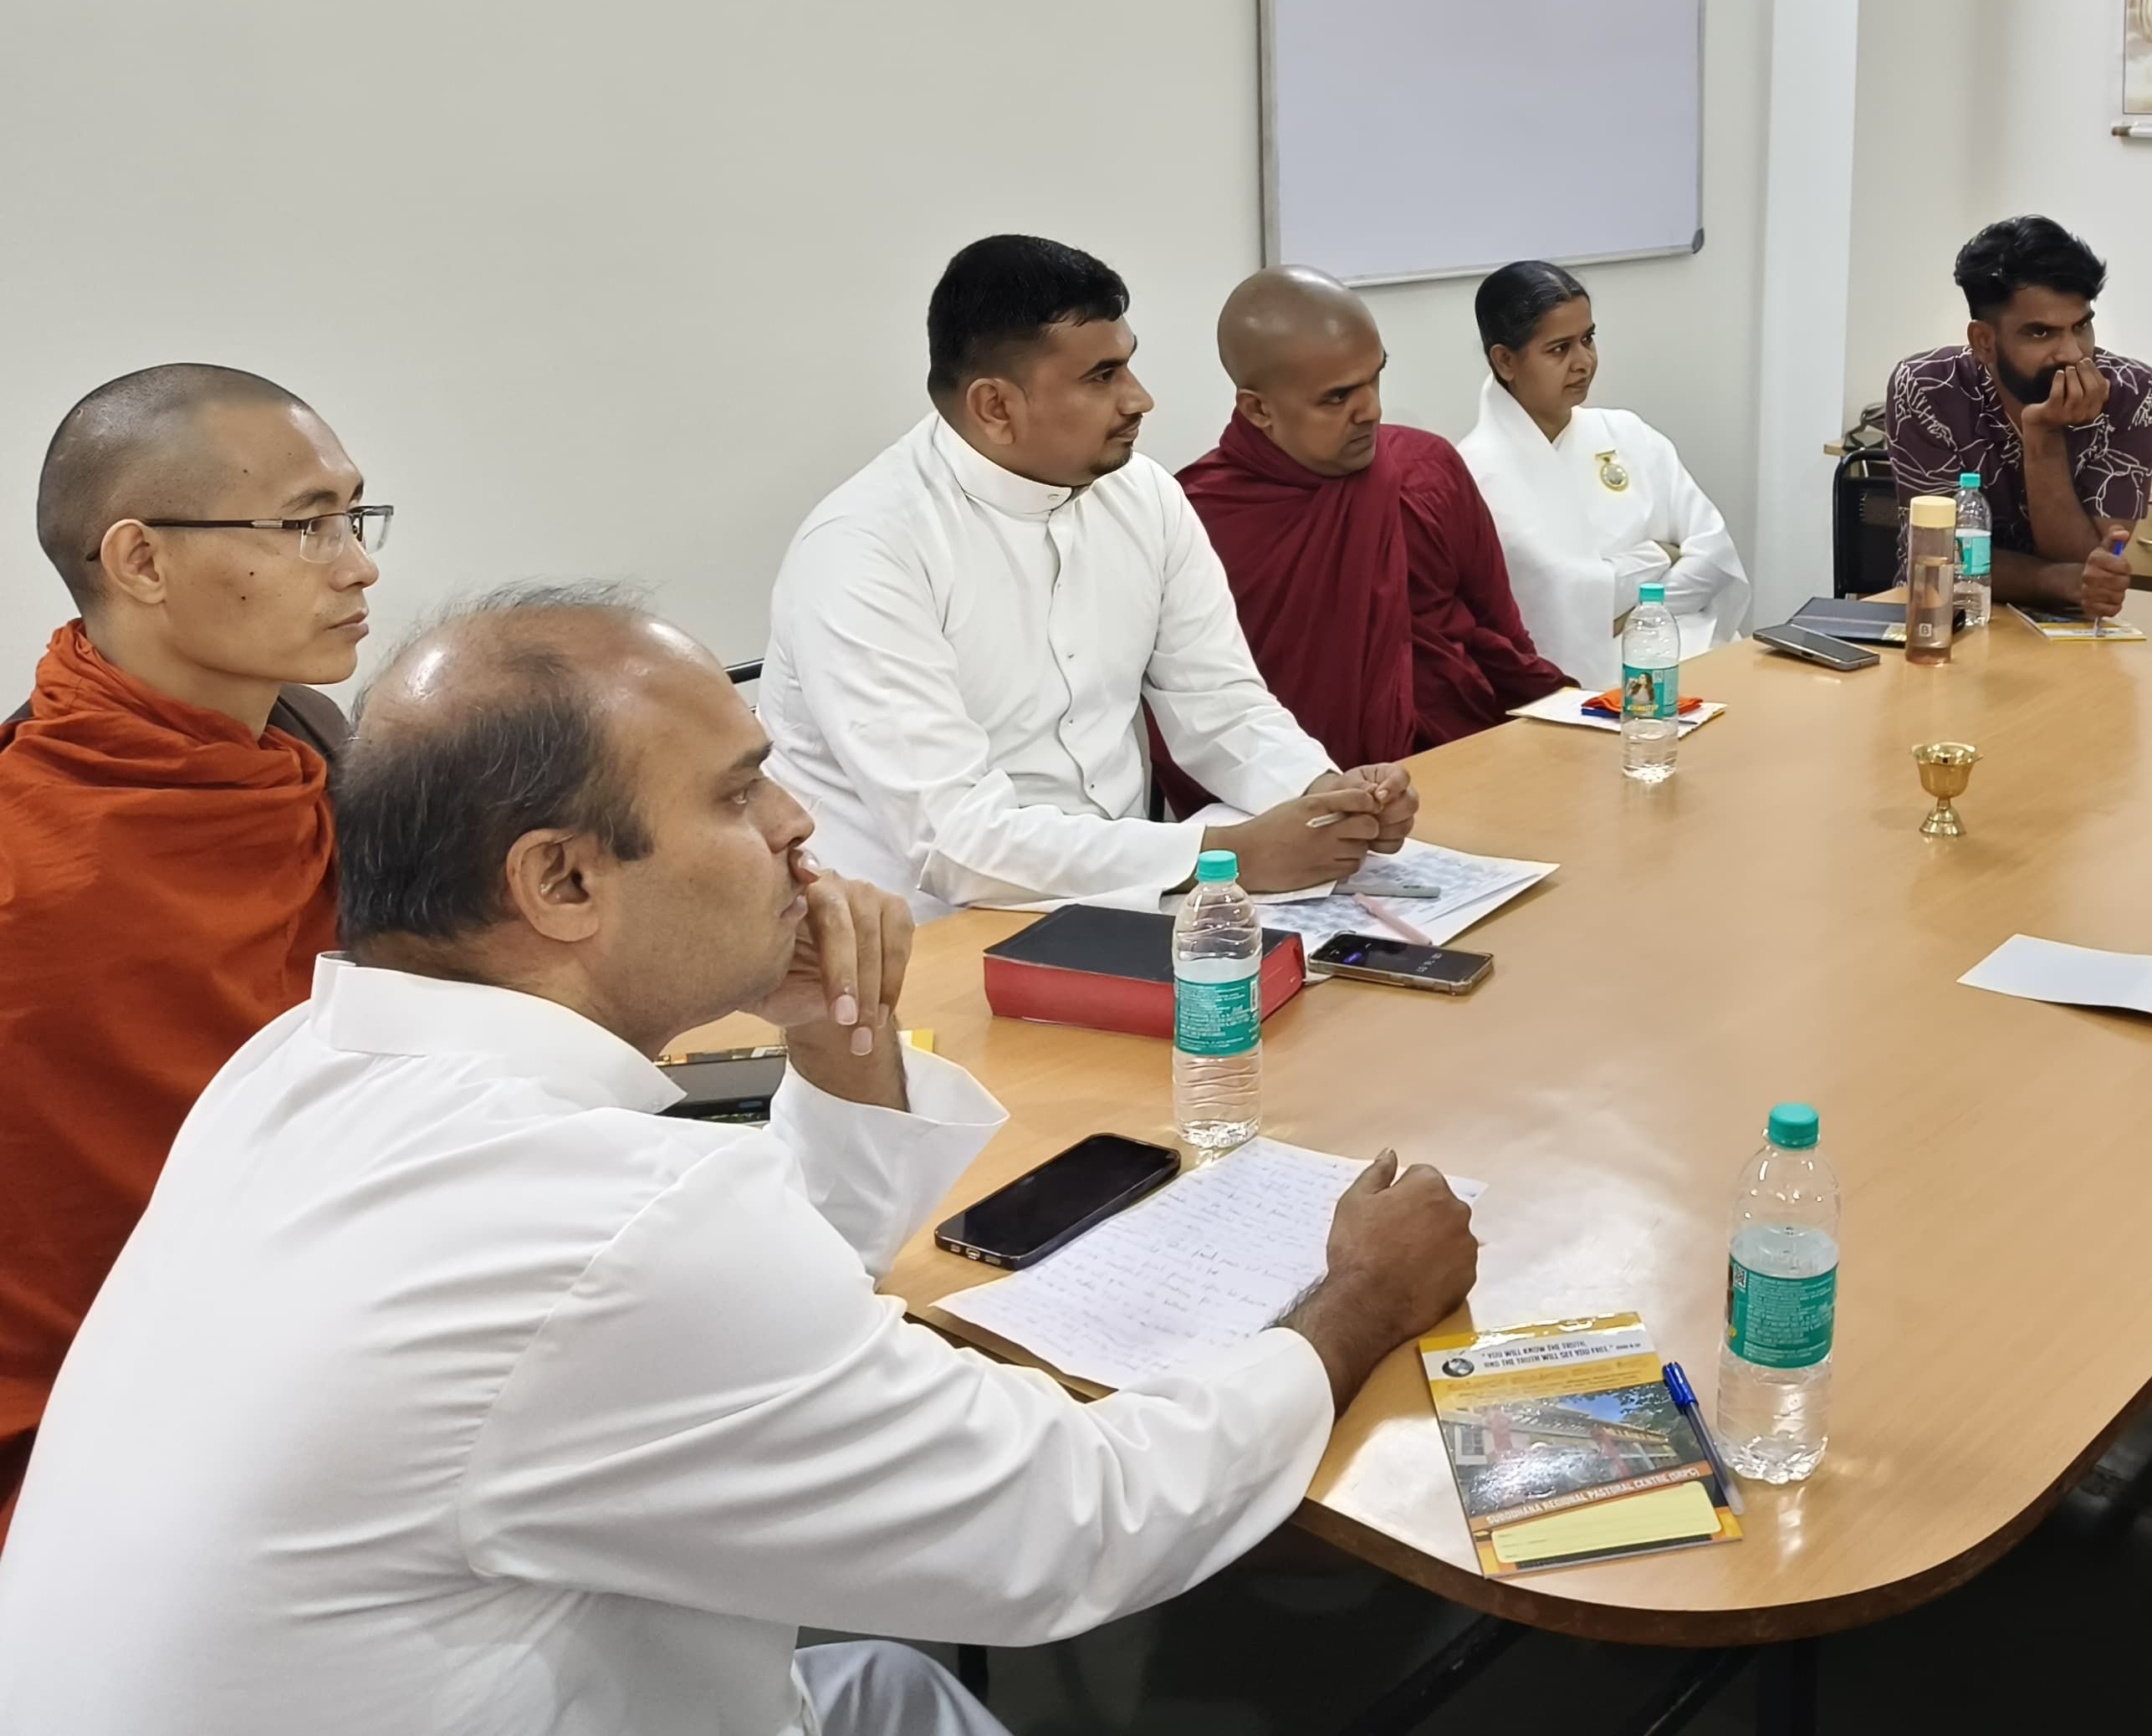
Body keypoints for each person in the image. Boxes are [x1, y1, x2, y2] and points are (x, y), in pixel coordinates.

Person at [0, 591, 1480, 1736]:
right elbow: (1071, 1525)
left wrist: (840, 1043)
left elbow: (734, 1331)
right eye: (737, 792)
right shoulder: (603, 1219)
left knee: (885, 1685)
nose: (796, 824)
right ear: (560, 880)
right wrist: (1352, 1301)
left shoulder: (295, 1065)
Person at [0, 365, 381, 1534]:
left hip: (347, 1349)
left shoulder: (317, 752)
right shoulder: (28, 860)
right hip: (93, 1457)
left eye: (354, 516)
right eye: (305, 525)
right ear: (141, 561)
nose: (357, 565)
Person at [761, 236, 1414, 918]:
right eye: (1103, 377)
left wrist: (1325, 797)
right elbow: (954, 841)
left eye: (1128, 364)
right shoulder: (864, 550)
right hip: (919, 937)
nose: (1140, 399)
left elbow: (1220, 704)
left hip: (1130, 900)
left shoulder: (1146, 496)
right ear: (995, 407)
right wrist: (1224, 856)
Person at [1178, 267, 1570, 770]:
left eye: (1375, 377)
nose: (1372, 410)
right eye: (1338, 397)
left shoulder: (1427, 469)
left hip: (1457, 764)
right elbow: (1193, 707)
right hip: (1287, 790)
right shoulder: (1198, 518)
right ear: (1258, 410)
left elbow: (1504, 639)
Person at [1456, 260, 1751, 689]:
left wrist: (1632, 615)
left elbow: (1713, 554)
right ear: (1505, 361)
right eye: (1559, 349)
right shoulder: (1477, 473)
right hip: (1585, 690)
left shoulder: (1627, 433)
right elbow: (1555, 608)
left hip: (1697, 653)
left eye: (1588, 339)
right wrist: (1658, 556)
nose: (1584, 362)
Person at [1883, 216, 2152, 623]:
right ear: (1984, 341)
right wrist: (2054, 580)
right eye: (2040, 333)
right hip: (1943, 618)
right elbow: (1940, 557)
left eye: (2081, 325)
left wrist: (2043, 436)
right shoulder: (1928, 387)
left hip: (2075, 631)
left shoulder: (2131, 393)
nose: (2072, 353)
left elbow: (2087, 565)